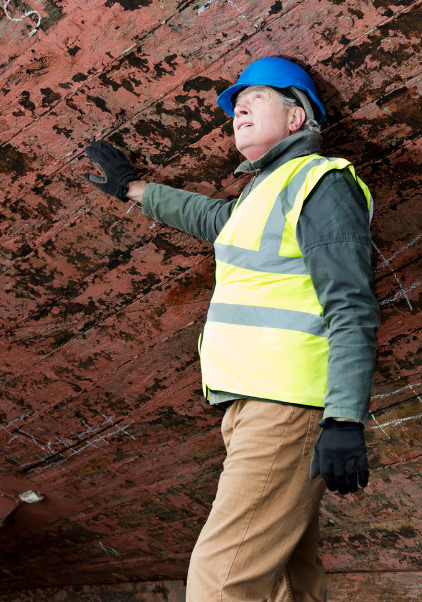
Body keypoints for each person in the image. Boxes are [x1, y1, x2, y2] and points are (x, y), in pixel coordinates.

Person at [83, 56, 380, 601]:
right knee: (290, 578)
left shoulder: (320, 181)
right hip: (254, 406)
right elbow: (206, 217)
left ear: (297, 119)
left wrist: (344, 417)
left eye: (257, 96)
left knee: (222, 582)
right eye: (234, 104)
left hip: (285, 405)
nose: (237, 107)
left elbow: (351, 304)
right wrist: (131, 187)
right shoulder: (261, 195)